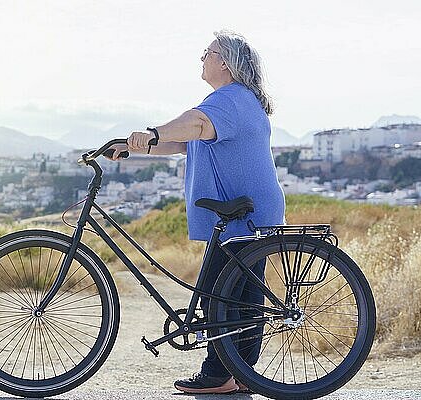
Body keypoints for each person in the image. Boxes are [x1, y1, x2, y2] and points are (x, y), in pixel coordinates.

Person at [109, 30, 286, 394]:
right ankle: (236, 374)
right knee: (234, 295)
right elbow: (182, 141)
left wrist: (151, 131)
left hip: (245, 212)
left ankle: (220, 375)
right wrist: (134, 146)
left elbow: (195, 123)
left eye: (208, 53)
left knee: (226, 296)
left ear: (226, 62)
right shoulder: (234, 100)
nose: (202, 58)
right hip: (244, 209)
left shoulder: (229, 99)